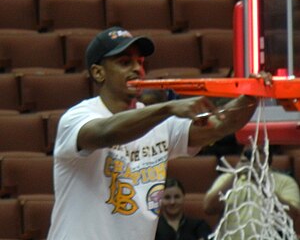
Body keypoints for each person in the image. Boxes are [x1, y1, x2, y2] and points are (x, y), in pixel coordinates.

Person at [47, 26, 269, 240]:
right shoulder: (77, 118)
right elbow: (106, 132)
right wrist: (167, 108)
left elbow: (221, 125)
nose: (137, 70)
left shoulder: (159, 121)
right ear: (98, 72)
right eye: (125, 62)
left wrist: (252, 95)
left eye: (140, 62)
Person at [203, 146, 300, 239]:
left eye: (259, 151)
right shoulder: (227, 179)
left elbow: (291, 217)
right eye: (247, 152)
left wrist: (261, 183)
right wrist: (235, 175)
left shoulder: (285, 181)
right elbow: (208, 207)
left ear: (268, 159)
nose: (252, 156)